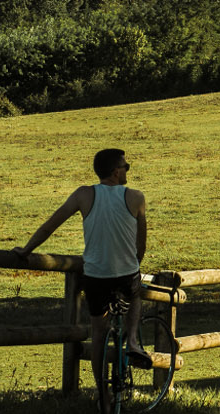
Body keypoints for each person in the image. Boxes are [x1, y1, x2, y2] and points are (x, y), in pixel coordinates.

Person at [15, 148, 153, 397]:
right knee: (135, 297)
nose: (126, 170)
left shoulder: (83, 195)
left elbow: (51, 225)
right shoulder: (136, 197)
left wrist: (26, 250)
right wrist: (135, 261)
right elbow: (141, 244)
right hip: (125, 272)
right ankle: (132, 341)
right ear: (116, 171)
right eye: (125, 167)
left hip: (95, 274)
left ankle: (102, 394)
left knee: (98, 334)